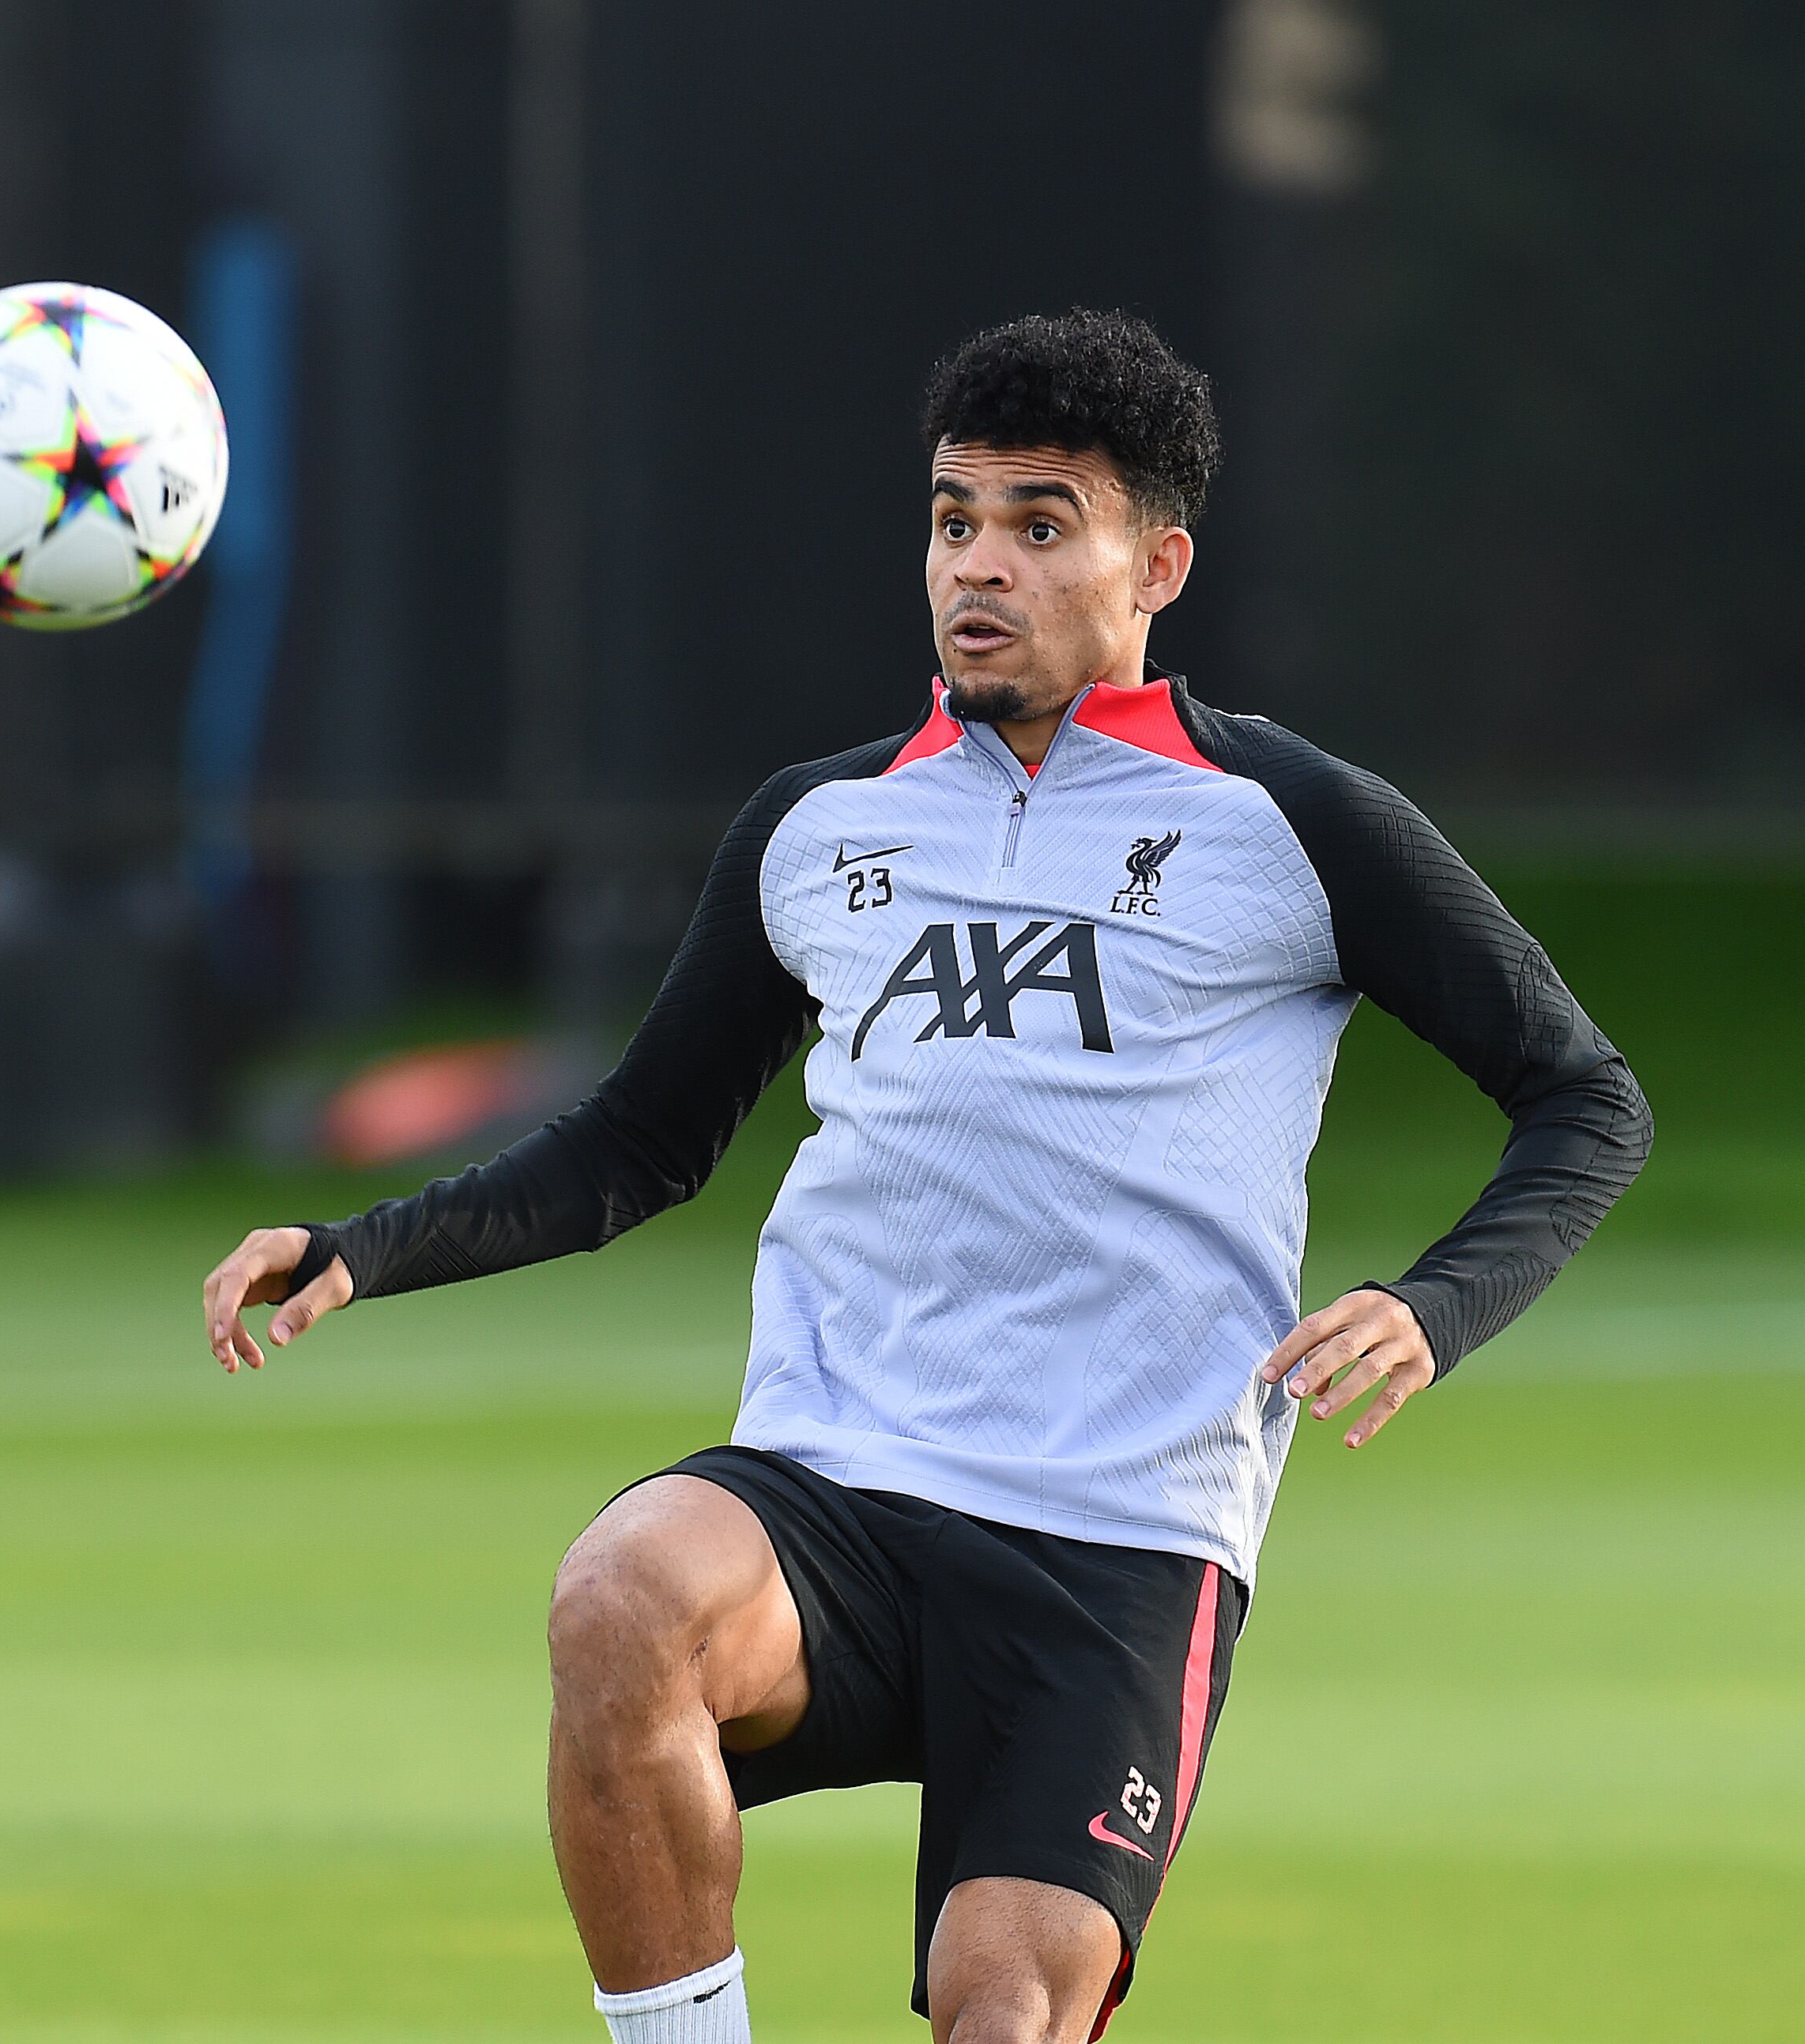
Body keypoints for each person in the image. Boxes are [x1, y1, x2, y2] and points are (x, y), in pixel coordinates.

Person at [200, 311, 1652, 2044]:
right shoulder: (816, 827)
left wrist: (1431, 1306)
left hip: (1120, 1543)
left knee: (1004, 2012)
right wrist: (367, 1247)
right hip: (837, 1489)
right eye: (956, 519)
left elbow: (1584, 1100)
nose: (979, 564)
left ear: (1157, 565)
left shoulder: (1292, 820)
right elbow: (642, 1141)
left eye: (1041, 524)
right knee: (620, 1596)